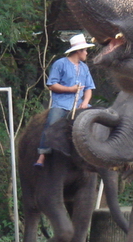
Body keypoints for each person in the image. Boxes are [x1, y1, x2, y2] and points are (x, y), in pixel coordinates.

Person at [34, 33, 95, 167]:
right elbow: (51, 84)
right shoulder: (60, 64)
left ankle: (92, 153)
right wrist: (70, 89)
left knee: (94, 122)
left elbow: (89, 88)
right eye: (84, 50)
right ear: (78, 51)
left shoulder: (84, 67)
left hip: (80, 104)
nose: (86, 53)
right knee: (51, 124)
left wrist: (85, 103)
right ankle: (42, 155)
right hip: (62, 104)